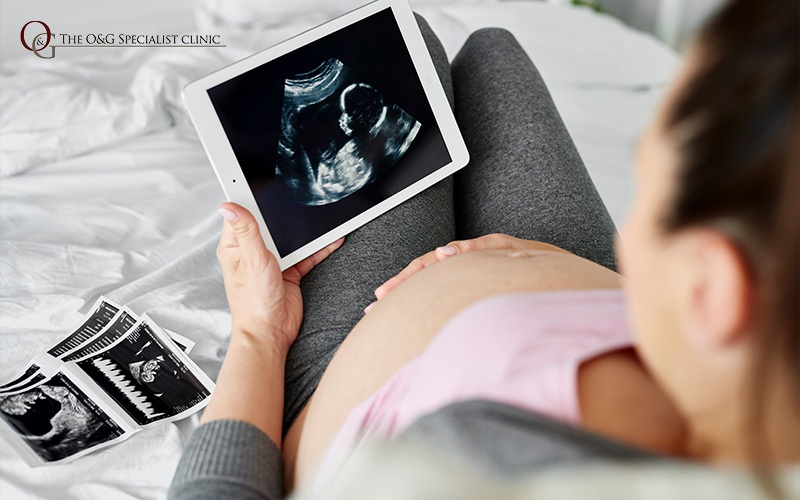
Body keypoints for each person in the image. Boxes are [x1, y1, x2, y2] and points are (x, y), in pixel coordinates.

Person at [168, 1, 799, 499]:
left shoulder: (447, 471)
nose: (631, 231)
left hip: (351, 353)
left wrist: (258, 330)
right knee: (486, 49)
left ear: (715, 288)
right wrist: (535, 263)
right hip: (579, 283)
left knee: (406, 40)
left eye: (650, 202)